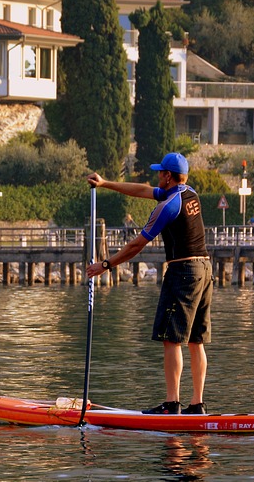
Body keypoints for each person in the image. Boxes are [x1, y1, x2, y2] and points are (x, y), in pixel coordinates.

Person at [86, 152, 213, 415]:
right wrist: (106, 183)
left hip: (184, 272)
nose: (157, 177)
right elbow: (142, 190)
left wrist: (105, 265)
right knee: (195, 341)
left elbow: (136, 246)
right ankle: (197, 405)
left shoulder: (167, 206)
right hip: (205, 269)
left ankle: (171, 404)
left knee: (171, 340)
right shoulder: (190, 193)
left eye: (160, 173)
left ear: (168, 176)